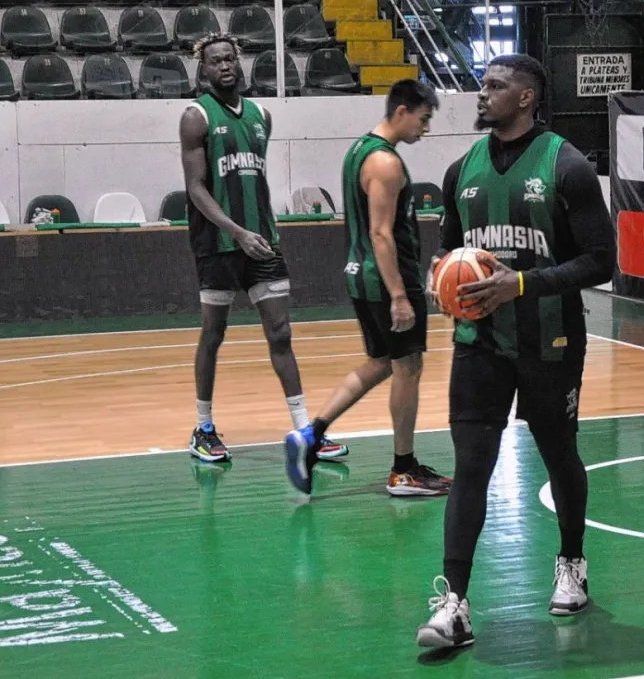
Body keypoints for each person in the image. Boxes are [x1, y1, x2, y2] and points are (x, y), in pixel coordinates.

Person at [414, 54, 616, 648]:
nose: (483, 94)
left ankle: (572, 563)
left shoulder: (567, 166)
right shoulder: (461, 171)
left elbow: (602, 261)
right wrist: (439, 278)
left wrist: (521, 283)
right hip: (479, 343)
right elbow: (450, 248)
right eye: (483, 84)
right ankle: (454, 604)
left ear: (526, 98)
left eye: (496, 86)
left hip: (550, 341)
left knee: (559, 456)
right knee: (471, 467)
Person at [180, 33, 346, 463]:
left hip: (262, 240)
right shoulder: (196, 116)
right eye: (215, 61)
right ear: (204, 69)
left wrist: (255, 232)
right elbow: (196, 188)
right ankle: (203, 427)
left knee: (281, 332)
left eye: (229, 58)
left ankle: (305, 430)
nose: (224, 65)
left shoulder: (261, 116)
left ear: (239, 62)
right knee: (213, 334)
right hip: (219, 243)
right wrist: (236, 231)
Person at [284, 79, 453, 498]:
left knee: (381, 362)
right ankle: (403, 470)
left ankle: (310, 434)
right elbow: (381, 233)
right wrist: (399, 296)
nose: (426, 128)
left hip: (361, 274)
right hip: (386, 279)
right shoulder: (385, 163)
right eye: (423, 119)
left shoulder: (359, 149)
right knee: (408, 367)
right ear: (401, 111)